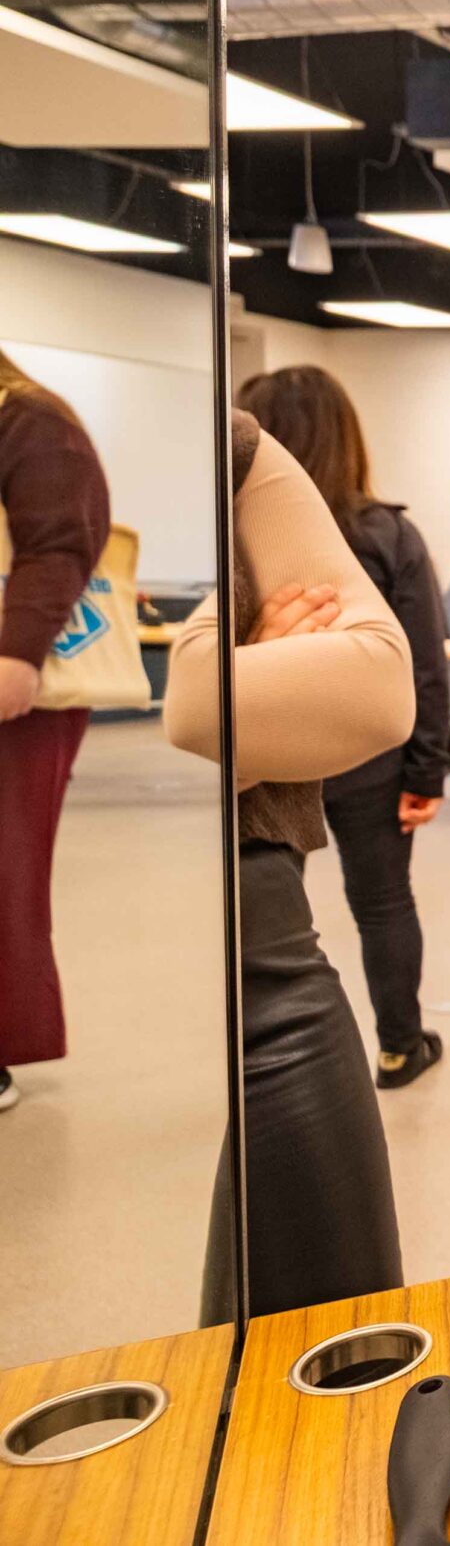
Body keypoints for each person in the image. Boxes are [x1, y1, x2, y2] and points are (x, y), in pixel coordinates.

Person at [167, 410, 414, 1320]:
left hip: (264, 944)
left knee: (313, 1332)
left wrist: (239, 681)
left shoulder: (231, 446)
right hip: (243, 954)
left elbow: (382, 687)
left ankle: (404, 1033)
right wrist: (261, 669)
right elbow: (195, 705)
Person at [238, 367, 450, 1089]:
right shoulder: (387, 534)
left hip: (273, 753)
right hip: (371, 756)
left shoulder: (238, 534)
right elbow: (424, 665)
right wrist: (427, 768)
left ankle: (270, 1058)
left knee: (273, 915)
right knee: (384, 902)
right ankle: (400, 1047)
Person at [0, 350, 109, 1115]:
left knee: (5, 868)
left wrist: (17, 654)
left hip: (18, 686)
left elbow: (59, 543)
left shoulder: (31, 422)